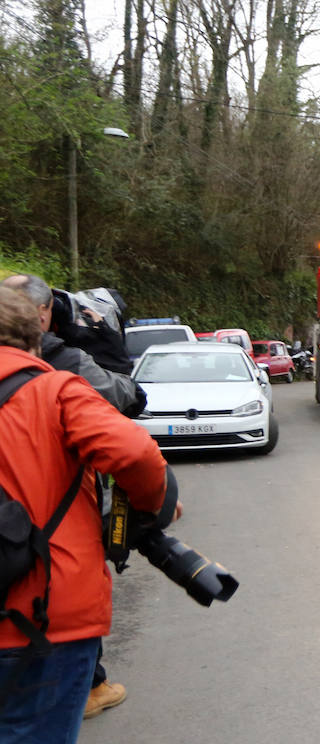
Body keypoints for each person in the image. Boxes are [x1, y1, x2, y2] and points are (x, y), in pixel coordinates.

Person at [0, 286, 170, 742]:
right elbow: (135, 454)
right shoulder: (54, 391)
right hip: (41, 612)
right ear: (37, 334)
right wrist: (147, 514)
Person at [0, 274, 138, 415]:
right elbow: (127, 397)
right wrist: (107, 343)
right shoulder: (67, 361)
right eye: (51, 308)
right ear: (42, 312)